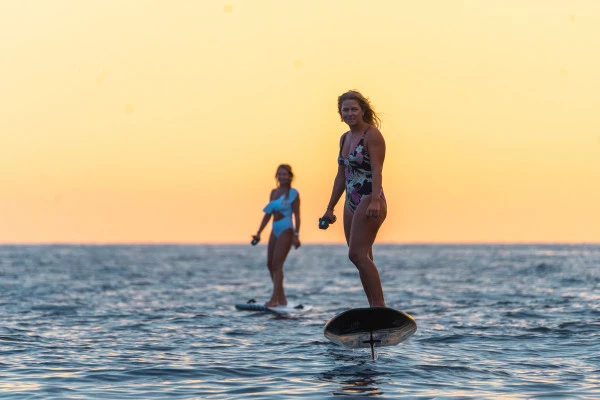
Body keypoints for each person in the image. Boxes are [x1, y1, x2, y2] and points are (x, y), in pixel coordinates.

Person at [321, 90, 388, 308]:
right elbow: (341, 175)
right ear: (340, 113)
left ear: (363, 111)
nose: (349, 113)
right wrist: (330, 207)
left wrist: (376, 200)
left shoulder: (372, 135)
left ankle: (380, 308)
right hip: (351, 202)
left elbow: (377, 171)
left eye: (353, 109)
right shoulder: (344, 138)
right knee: (362, 258)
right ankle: (373, 307)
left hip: (370, 198)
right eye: (345, 110)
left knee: (356, 255)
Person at [251, 164, 301, 307]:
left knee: (277, 264)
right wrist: (259, 232)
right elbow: (268, 214)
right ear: (276, 176)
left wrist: (296, 235)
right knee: (269, 264)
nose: (282, 177)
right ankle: (282, 299)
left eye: (285, 174)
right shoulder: (274, 192)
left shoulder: (294, 193)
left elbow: (297, 216)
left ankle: (274, 299)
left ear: (290, 176)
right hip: (274, 228)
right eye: (279, 174)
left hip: (286, 228)